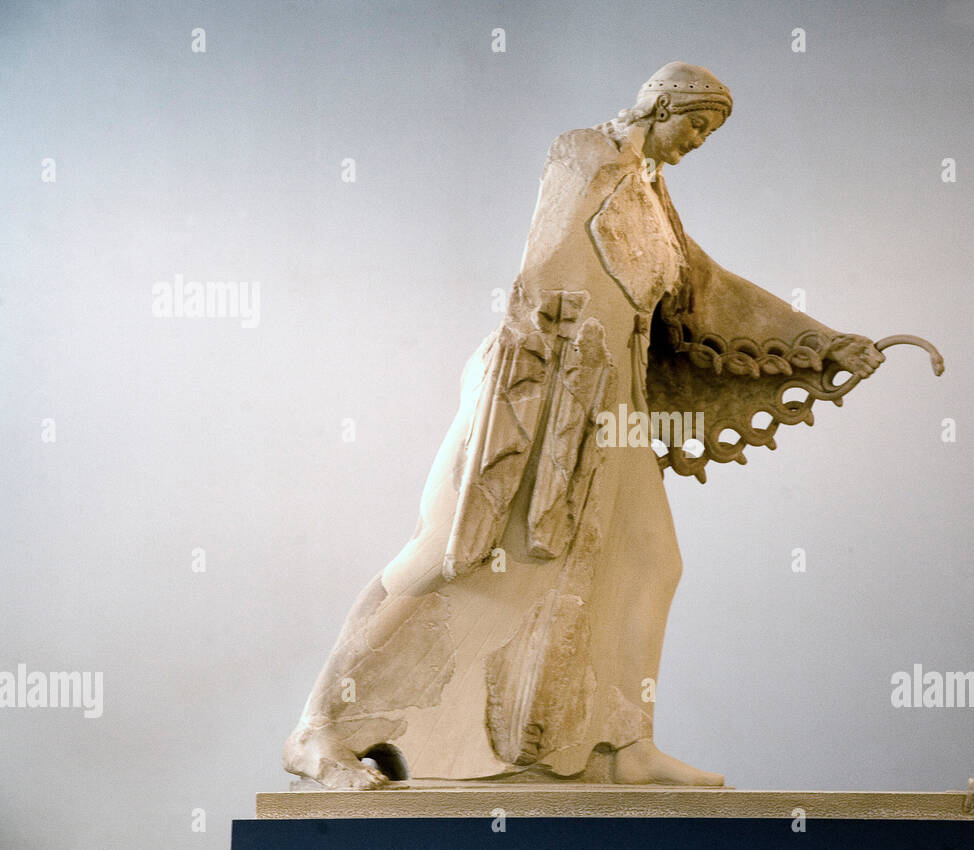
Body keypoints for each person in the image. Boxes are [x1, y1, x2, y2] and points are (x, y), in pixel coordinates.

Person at [283, 62, 941, 789]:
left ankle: (625, 743)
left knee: (648, 561)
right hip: (533, 391)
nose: (699, 141)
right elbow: (542, 278)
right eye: (695, 123)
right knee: (444, 554)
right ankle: (320, 732)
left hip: (610, 406)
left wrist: (823, 341)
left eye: (710, 132)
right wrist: (548, 389)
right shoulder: (586, 154)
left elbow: (708, 292)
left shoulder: (654, 199)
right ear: (660, 106)